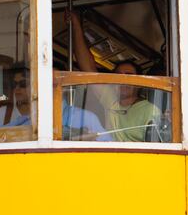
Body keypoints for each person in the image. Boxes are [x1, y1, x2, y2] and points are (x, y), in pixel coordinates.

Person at [66, 10, 162, 142]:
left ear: (139, 83)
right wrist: (76, 26)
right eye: (117, 76)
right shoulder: (111, 99)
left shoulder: (150, 110)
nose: (122, 80)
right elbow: (88, 69)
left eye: (128, 76)